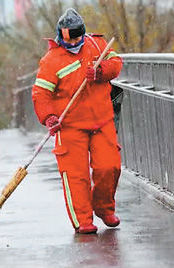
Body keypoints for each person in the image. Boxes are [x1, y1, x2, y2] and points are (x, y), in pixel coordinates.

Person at [32, 8, 123, 234]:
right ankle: (83, 220)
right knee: (76, 176)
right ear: (60, 37)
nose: (73, 43)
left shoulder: (97, 45)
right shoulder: (51, 61)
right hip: (70, 126)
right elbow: (41, 94)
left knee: (109, 166)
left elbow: (116, 63)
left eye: (76, 38)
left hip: (102, 121)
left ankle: (104, 208)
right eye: (68, 39)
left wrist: (101, 71)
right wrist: (49, 117)